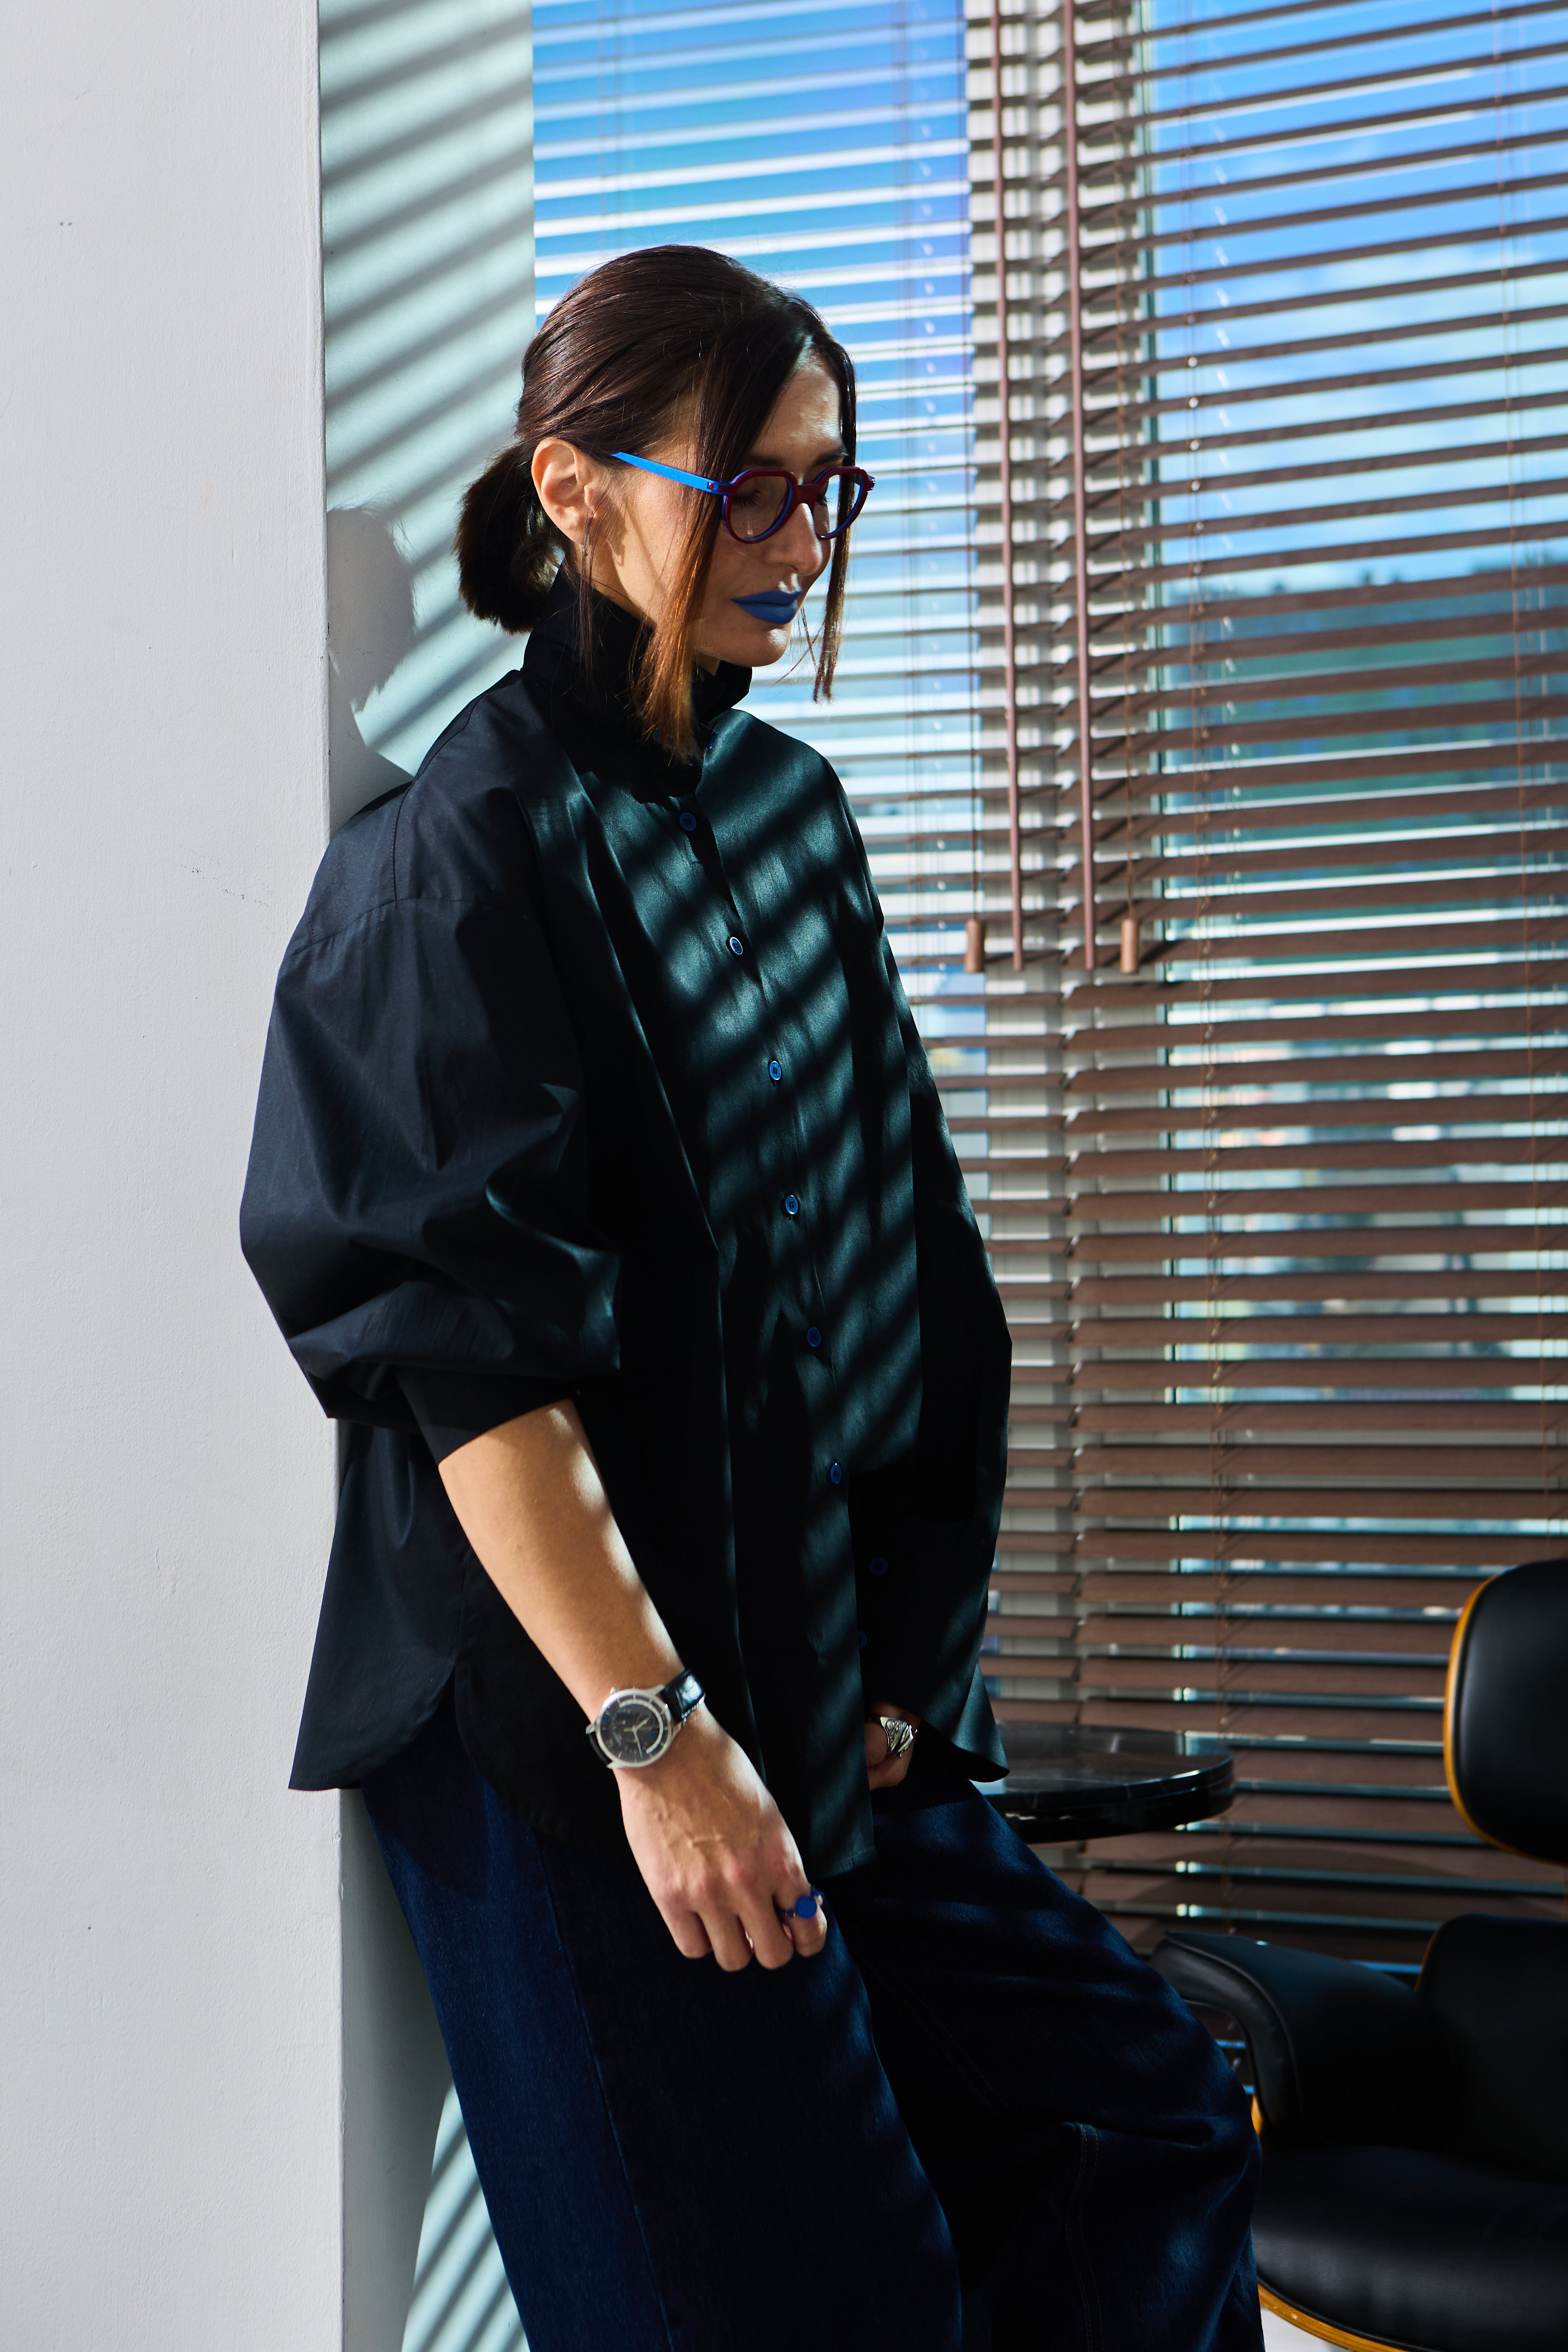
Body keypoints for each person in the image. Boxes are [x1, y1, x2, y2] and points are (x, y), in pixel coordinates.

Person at [241, 244, 1262, 2352]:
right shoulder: (451, 861)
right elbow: (467, 1369)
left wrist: (905, 1661)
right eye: (754, 489)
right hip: (572, 1733)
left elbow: (912, 1271)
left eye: (831, 489)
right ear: (574, 490)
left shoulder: (795, 819)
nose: (803, 542)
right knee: (797, 2303)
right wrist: (660, 1740)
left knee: (1140, 2104)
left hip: (821, 1693)